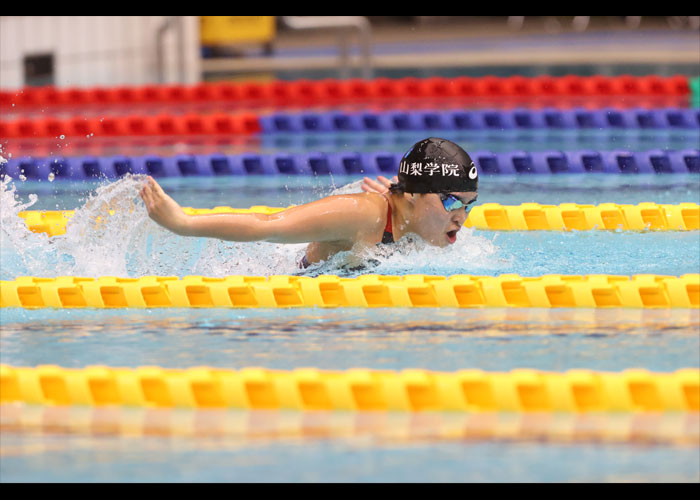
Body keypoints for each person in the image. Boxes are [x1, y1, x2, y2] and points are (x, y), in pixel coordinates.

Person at [139, 137, 479, 269]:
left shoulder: (414, 220)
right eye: (451, 201)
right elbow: (267, 225)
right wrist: (182, 224)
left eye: (469, 204)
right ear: (413, 194)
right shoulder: (362, 214)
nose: (461, 217)